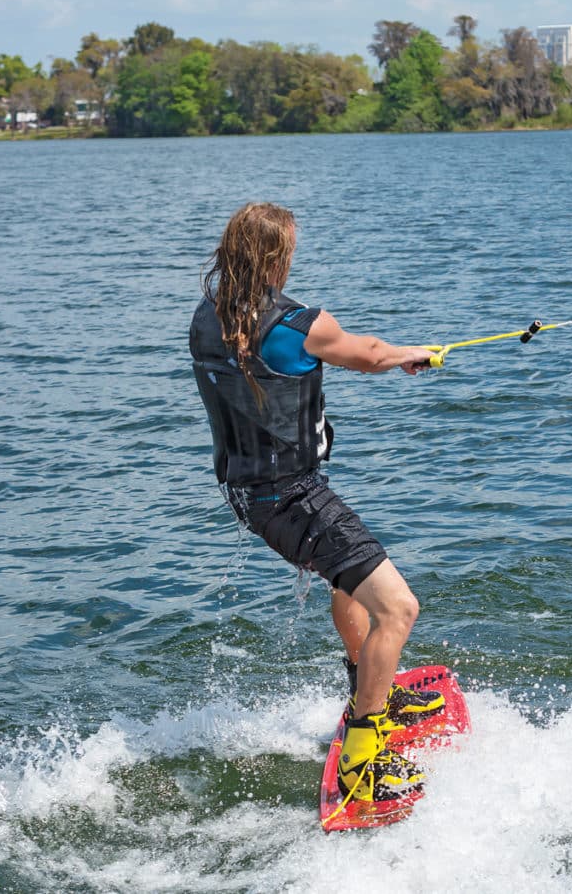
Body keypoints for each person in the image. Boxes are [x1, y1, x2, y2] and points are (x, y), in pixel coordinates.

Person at [189, 202, 444, 802]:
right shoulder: (295, 323)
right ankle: (363, 757)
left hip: (248, 494)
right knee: (397, 609)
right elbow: (369, 353)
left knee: (346, 580)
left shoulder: (209, 317)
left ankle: (369, 686)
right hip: (291, 495)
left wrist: (394, 352)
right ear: (277, 255)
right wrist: (417, 353)